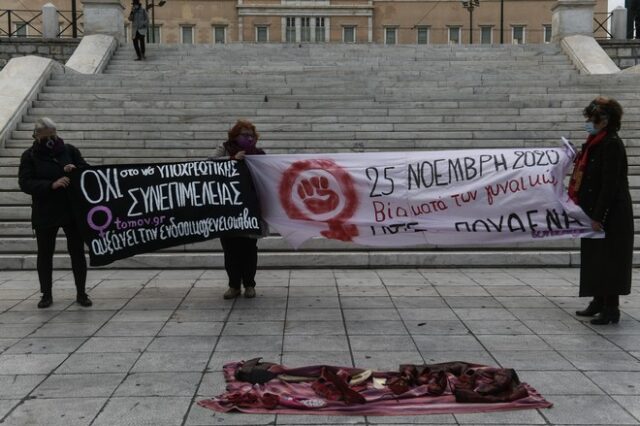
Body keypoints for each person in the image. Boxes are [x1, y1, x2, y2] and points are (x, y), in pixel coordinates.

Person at [569, 97, 633, 325]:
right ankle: (597, 300)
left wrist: (599, 216)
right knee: (596, 258)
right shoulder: (595, 142)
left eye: (592, 119)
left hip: (611, 213)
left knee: (609, 260)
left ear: (605, 121)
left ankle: (611, 309)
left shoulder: (611, 144)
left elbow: (610, 184)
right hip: (593, 209)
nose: (589, 122)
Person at [18, 118, 93, 309]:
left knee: (77, 252)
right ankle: (46, 295)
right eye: (46, 136)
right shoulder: (29, 156)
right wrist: (51, 185)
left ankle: (81, 293)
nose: (51, 139)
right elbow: (25, 183)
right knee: (45, 254)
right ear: (36, 135)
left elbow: (88, 174)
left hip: (71, 210)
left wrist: (75, 170)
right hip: (45, 211)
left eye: (53, 134)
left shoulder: (70, 151)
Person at [211, 119, 266, 299]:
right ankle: (234, 285)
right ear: (235, 136)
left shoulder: (258, 154)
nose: (248, 139)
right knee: (230, 250)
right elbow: (208, 165)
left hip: (249, 209)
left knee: (249, 249)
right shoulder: (225, 148)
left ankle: (250, 284)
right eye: (244, 135)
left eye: (251, 136)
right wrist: (232, 159)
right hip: (227, 208)